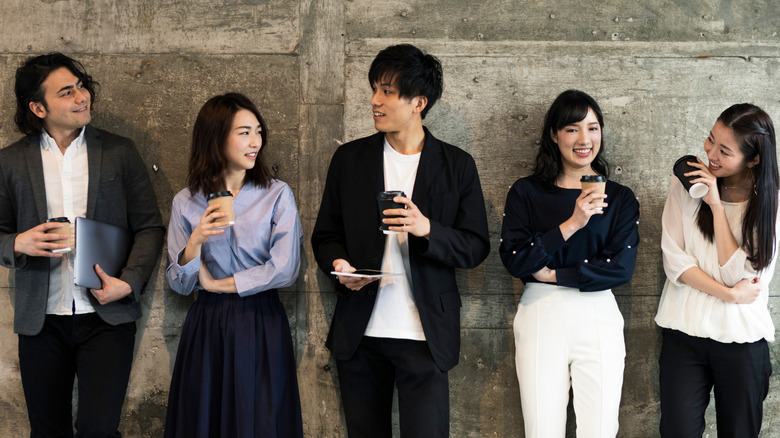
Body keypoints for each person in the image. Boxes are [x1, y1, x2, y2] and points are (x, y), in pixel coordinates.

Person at [311, 44, 490, 437]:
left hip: (425, 335)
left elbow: (476, 246)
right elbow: (325, 236)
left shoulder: (456, 165)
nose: (375, 100)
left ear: (418, 103)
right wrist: (339, 266)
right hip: (361, 332)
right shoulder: (350, 160)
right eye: (375, 89)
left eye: (388, 91)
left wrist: (428, 229)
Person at [0, 53, 165, 437]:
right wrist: (19, 243)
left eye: (81, 87)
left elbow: (149, 227)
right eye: (67, 92)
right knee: (46, 431)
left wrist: (130, 281)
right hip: (40, 321)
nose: (82, 97)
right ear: (38, 107)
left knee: (98, 430)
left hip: (106, 317)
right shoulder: (10, 162)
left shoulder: (119, 151)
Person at [500, 90, 639, 437]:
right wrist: (573, 223)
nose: (584, 139)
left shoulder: (620, 198)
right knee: (541, 428)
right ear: (553, 134)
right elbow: (516, 260)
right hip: (540, 316)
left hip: (598, 314)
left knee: (601, 428)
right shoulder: (526, 192)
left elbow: (620, 267)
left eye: (593, 128)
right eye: (572, 129)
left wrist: (553, 273)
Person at [164, 93, 304, 438]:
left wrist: (218, 284)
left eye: (257, 131)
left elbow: (285, 269)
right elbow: (179, 284)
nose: (255, 141)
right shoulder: (186, 201)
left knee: (258, 420)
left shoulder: (277, 194)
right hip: (206, 324)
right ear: (215, 138)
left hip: (261, 319)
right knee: (203, 420)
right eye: (243, 132)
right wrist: (195, 241)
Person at [655, 104, 778, 437]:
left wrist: (714, 205)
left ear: (753, 160)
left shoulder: (771, 204)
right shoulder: (686, 183)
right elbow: (675, 263)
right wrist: (727, 295)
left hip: (741, 339)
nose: (710, 152)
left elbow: (737, 274)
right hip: (683, 334)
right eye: (710, 140)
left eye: (724, 151)